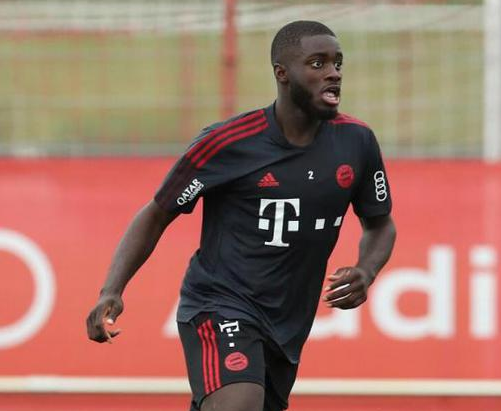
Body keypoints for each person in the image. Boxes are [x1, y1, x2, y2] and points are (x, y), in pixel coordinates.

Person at [87, 20, 396, 411]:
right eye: (317, 63)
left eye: (337, 62)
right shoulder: (228, 143)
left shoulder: (357, 142)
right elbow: (157, 213)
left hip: (288, 324)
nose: (333, 72)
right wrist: (111, 290)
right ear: (282, 73)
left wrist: (367, 270)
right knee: (239, 404)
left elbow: (380, 224)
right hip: (219, 304)